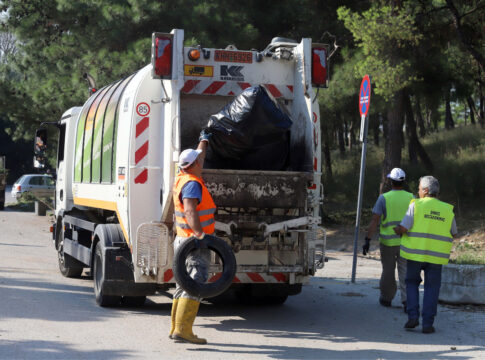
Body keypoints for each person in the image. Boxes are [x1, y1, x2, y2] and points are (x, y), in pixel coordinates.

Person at [394, 176, 457, 334]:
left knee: (411, 283)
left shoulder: (416, 205)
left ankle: (413, 317)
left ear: (426, 191)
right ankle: (428, 324)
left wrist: (397, 230)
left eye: (420, 189)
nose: (418, 191)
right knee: (432, 288)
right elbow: (454, 232)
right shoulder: (447, 209)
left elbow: (404, 227)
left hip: (415, 254)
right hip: (436, 257)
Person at [169, 129, 215, 344]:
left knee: (183, 283)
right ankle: (184, 330)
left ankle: (176, 328)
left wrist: (203, 140)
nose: (201, 161)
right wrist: (200, 235)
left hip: (181, 238)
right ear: (194, 165)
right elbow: (189, 211)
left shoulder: (182, 175)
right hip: (193, 241)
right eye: (199, 161)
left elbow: (198, 154)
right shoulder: (192, 184)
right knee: (196, 281)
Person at [363, 168, 413, 310]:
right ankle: (407, 301)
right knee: (405, 271)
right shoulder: (411, 197)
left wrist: (368, 239)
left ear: (391, 181)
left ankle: (386, 298)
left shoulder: (384, 198)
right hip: (406, 241)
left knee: (388, 271)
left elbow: (374, 220)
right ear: (403, 181)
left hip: (388, 243)